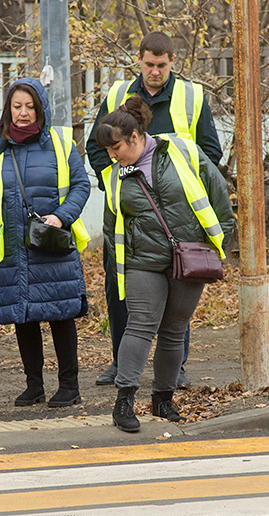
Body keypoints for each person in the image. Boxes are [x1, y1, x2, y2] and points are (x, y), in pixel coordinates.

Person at [86, 31, 224, 389]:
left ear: (172, 62)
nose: (155, 71)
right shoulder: (118, 94)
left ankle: (175, 369)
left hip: (179, 221)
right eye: (149, 64)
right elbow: (97, 144)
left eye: (162, 65)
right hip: (129, 218)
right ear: (139, 60)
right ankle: (121, 363)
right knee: (121, 290)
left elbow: (210, 152)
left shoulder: (191, 96)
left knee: (180, 299)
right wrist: (117, 184)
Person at [95, 96, 235, 433]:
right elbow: (110, 224)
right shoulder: (114, 175)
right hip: (142, 261)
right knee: (141, 324)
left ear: (135, 137)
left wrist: (219, 244)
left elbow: (217, 194)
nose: (112, 156)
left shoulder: (181, 151)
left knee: (174, 330)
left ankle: (163, 399)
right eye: (108, 151)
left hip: (190, 255)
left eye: (116, 148)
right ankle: (124, 401)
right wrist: (117, 269)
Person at [0, 78, 91, 408]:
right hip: (13, 248)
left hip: (51, 245)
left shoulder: (59, 143)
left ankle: (70, 386)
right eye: (17, 106)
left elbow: (82, 186)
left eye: (30, 107)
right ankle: (34, 385)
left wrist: (61, 216)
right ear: (8, 110)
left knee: (60, 314)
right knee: (23, 316)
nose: (23, 113)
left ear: (40, 108)